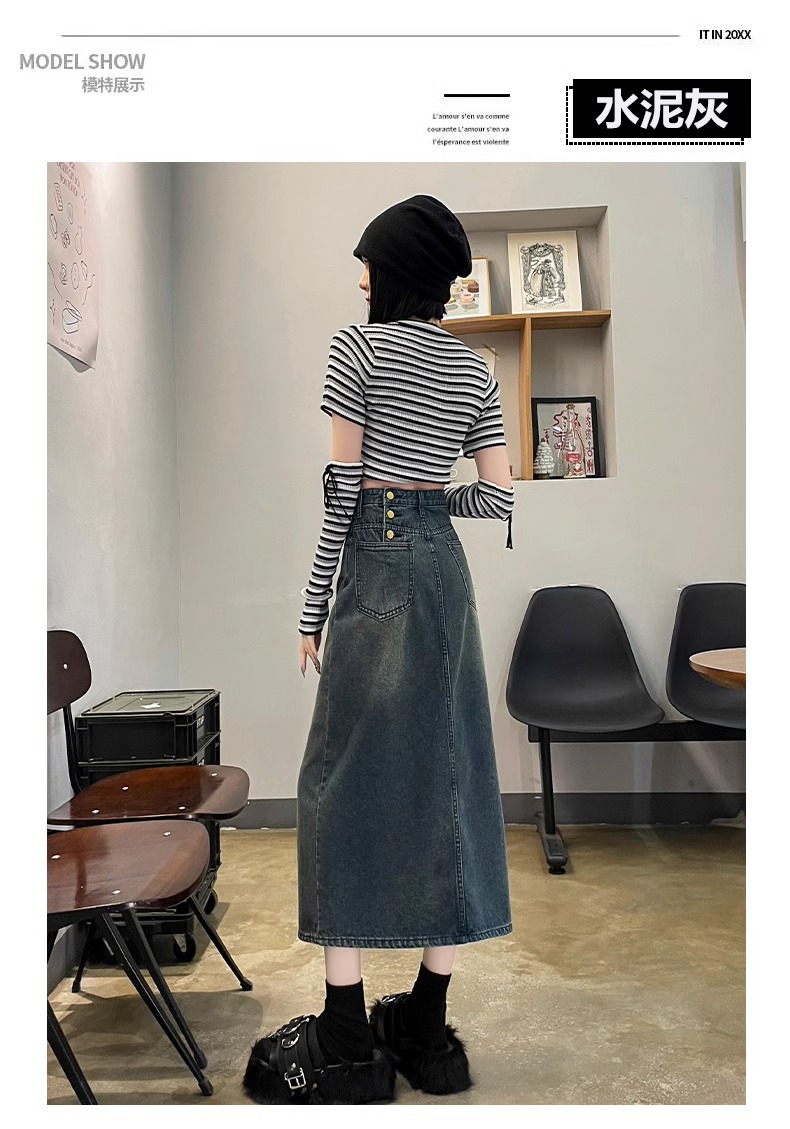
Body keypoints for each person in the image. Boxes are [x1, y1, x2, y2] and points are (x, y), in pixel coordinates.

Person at [244, 195, 515, 1105]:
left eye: (367, 263)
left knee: (338, 785)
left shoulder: (354, 351)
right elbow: (498, 498)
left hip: (374, 564)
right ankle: (427, 1027)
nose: (359, 279)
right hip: (444, 574)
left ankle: (346, 1031)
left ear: (392, 270)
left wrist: (312, 607)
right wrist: (435, 501)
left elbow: (345, 493)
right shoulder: (476, 369)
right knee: (451, 779)